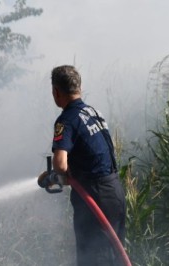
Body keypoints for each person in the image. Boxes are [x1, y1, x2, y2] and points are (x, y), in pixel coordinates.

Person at [38, 65, 127, 266]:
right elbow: (95, 157)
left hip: (94, 198)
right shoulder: (94, 112)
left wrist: (54, 176)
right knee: (115, 258)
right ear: (79, 87)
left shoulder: (66, 120)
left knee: (94, 260)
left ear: (56, 92)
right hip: (114, 192)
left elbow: (60, 163)